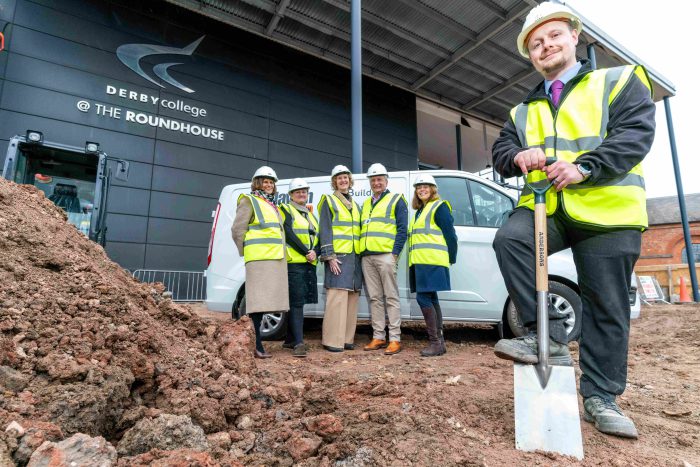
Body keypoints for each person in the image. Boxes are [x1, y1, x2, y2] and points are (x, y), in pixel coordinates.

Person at [491, 2, 655, 439]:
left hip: (608, 212)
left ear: (574, 37)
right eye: (536, 44)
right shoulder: (522, 111)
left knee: (607, 305)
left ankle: (601, 397)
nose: (546, 46)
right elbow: (501, 156)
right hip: (549, 209)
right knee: (510, 240)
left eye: (554, 37)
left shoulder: (617, 81)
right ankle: (548, 335)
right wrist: (517, 156)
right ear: (530, 55)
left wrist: (586, 166)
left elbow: (635, 135)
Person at [232, 166, 289, 359]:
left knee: (265, 304)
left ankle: (256, 344)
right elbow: (238, 229)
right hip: (259, 259)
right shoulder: (250, 201)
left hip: (273, 258)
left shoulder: (271, 204)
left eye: (271, 182)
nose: (269, 185)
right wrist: (246, 251)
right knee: (257, 304)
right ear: (257, 183)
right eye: (265, 181)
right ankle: (256, 345)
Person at [360, 163, 408, 355]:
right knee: (374, 298)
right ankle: (379, 336)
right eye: (373, 180)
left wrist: (394, 254)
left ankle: (395, 339)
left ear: (386, 181)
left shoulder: (397, 200)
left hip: (386, 256)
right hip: (367, 257)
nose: (376, 182)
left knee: (391, 297)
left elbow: (402, 230)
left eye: (379, 179)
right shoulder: (365, 204)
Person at [408, 174, 457, 357]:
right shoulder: (421, 210)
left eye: (426, 186)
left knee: (423, 298)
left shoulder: (439, 206)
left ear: (433, 189)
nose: (422, 189)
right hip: (421, 261)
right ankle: (439, 343)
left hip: (431, 260)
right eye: (419, 187)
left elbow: (450, 235)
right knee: (432, 299)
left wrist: (451, 257)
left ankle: (435, 342)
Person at [317, 165, 363, 352]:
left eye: (346, 177)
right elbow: (325, 229)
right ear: (334, 182)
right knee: (337, 298)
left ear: (350, 181)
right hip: (339, 257)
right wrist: (329, 256)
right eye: (339, 178)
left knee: (351, 299)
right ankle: (332, 340)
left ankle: (346, 339)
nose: (343, 180)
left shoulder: (356, 205)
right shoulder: (328, 201)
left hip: (354, 259)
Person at [279, 178, 319, 358]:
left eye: (304, 191)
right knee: (296, 303)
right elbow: (288, 233)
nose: (302, 194)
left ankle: (289, 340)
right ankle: (299, 343)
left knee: (299, 300)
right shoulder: (286, 209)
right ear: (291, 195)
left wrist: (315, 252)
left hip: (308, 262)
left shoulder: (310, 214)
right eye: (298, 192)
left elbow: (317, 237)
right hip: (294, 262)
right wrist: (306, 252)